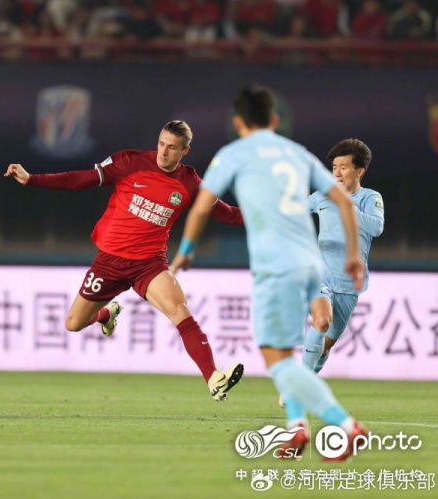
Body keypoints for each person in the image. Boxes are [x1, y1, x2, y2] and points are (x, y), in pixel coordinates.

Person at [170, 85, 366, 461]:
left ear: (238, 122)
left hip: (277, 267)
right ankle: (297, 428)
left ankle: (345, 426)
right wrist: (354, 256)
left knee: (277, 358)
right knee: (291, 349)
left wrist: (185, 252)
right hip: (312, 263)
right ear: (275, 120)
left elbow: (201, 207)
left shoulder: (234, 153)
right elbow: (343, 201)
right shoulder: (297, 152)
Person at [5, 120, 246, 401]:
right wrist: (33, 179)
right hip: (109, 262)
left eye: (171, 148)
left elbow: (228, 214)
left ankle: (214, 378)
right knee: (73, 323)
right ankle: (107, 314)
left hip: (149, 264)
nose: (163, 152)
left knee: (179, 309)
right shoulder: (130, 162)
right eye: (161, 144)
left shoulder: (191, 184)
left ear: (185, 151)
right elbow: (81, 179)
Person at [302, 139, 383, 373]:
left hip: (348, 283)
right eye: (334, 167)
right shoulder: (321, 196)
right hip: (320, 275)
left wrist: (346, 206)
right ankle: (299, 384)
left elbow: (376, 228)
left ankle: (310, 376)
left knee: (326, 346)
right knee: (321, 321)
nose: (337, 173)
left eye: (343, 167)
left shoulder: (370, 198)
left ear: (359, 171)